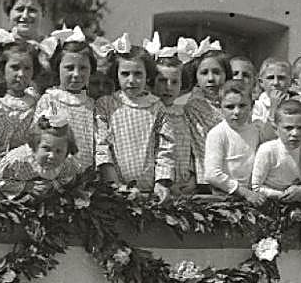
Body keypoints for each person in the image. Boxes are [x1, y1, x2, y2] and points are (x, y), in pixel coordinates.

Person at [94, 43, 176, 199]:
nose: (132, 80)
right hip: (115, 190)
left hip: (149, 191)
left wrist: (161, 183)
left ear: (148, 75)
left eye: (138, 74)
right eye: (125, 74)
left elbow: (165, 147)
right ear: (116, 75)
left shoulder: (157, 107)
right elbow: (102, 146)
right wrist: (115, 185)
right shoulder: (106, 104)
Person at [33, 37, 101, 170]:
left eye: (83, 68)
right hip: (55, 172)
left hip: (86, 176)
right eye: (69, 68)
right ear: (57, 68)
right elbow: (38, 139)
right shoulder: (50, 100)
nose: (76, 74)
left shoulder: (92, 105)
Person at [0, 111, 81, 197]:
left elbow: (68, 178)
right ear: (35, 146)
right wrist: (26, 186)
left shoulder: (66, 163)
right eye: (46, 149)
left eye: (59, 151)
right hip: (14, 198)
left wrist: (53, 184)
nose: (52, 156)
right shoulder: (19, 159)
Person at [174, 47, 231, 189]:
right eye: (204, 73)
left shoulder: (234, 105)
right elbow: (188, 144)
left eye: (216, 72)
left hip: (233, 172)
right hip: (204, 176)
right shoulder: (190, 107)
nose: (211, 78)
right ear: (196, 77)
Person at [203, 81, 264, 205]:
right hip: (224, 197)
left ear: (252, 105)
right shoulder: (218, 133)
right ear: (220, 107)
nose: (236, 112)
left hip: (251, 196)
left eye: (242, 106)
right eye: (230, 107)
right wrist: (243, 192)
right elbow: (212, 174)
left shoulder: (255, 130)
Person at [252, 99, 301, 201]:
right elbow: (256, 187)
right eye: (288, 128)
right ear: (276, 129)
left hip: (299, 200)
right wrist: (283, 195)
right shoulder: (268, 150)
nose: (295, 133)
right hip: (270, 201)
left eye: (300, 128)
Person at [0, 40, 39, 142]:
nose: (21, 74)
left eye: (27, 68)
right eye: (15, 67)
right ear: (2, 68)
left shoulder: (35, 101)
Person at [251, 57, 293, 125]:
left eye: (281, 78)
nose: (276, 83)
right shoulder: (256, 107)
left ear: (290, 82)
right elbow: (264, 134)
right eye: (270, 78)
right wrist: (274, 107)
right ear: (261, 82)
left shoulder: (300, 101)